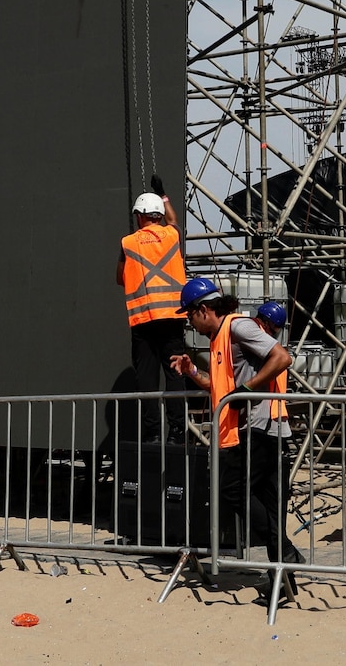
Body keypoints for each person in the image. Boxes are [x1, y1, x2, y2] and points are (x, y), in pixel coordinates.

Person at [170, 278, 305, 581]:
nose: (189, 322)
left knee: (232, 490)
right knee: (269, 504)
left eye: (189, 315)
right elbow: (219, 388)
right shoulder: (219, 339)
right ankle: (283, 578)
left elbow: (282, 358)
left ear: (203, 310)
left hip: (259, 427)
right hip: (257, 428)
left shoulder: (238, 327)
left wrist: (247, 390)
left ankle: (284, 551)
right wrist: (192, 371)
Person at [117, 174, 189, 443]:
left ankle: (152, 433)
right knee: (175, 372)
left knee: (147, 378)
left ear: (139, 216)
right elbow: (174, 219)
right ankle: (177, 431)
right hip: (172, 318)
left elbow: (119, 278)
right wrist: (163, 194)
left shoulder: (128, 243)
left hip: (143, 320)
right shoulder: (172, 235)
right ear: (158, 215)